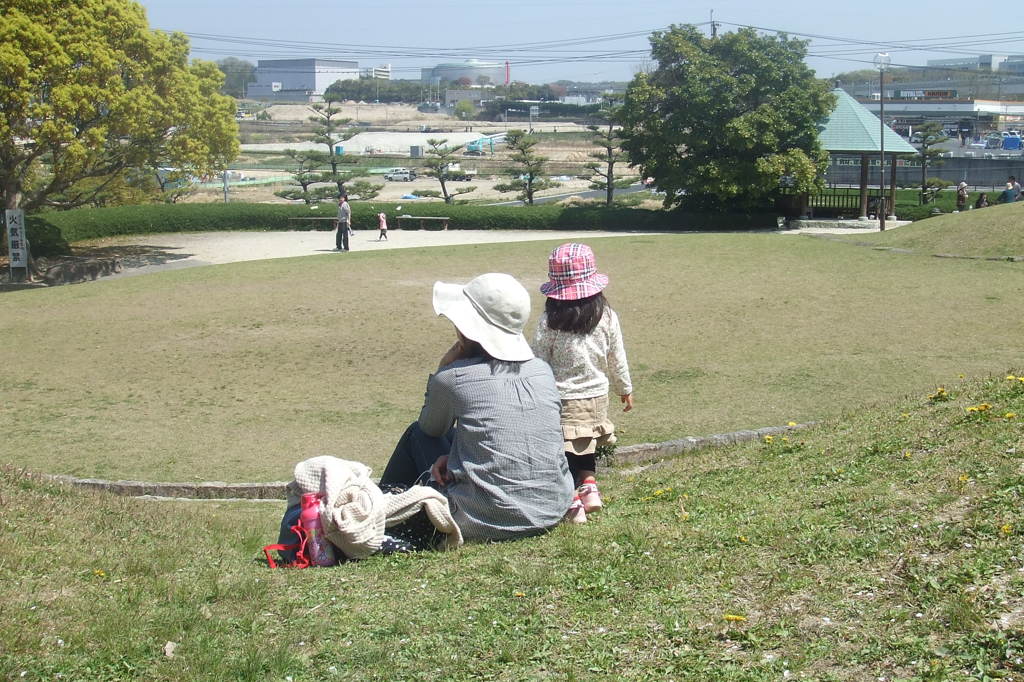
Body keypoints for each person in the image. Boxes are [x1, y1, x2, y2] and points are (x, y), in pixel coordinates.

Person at [378, 273, 576, 543]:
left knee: (418, 434)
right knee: (453, 437)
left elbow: (430, 428)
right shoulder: (542, 371)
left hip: (481, 520)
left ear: (466, 327)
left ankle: (383, 509)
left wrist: (442, 369)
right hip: (551, 510)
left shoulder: (453, 378)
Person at [532, 243, 633, 523]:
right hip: (597, 396)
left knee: (563, 449)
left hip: (561, 399)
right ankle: (590, 489)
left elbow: (537, 360)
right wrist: (624, 389)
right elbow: (617, 357)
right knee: (586, 444)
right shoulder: (608, 317)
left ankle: (573, 501)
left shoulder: (548, 321)